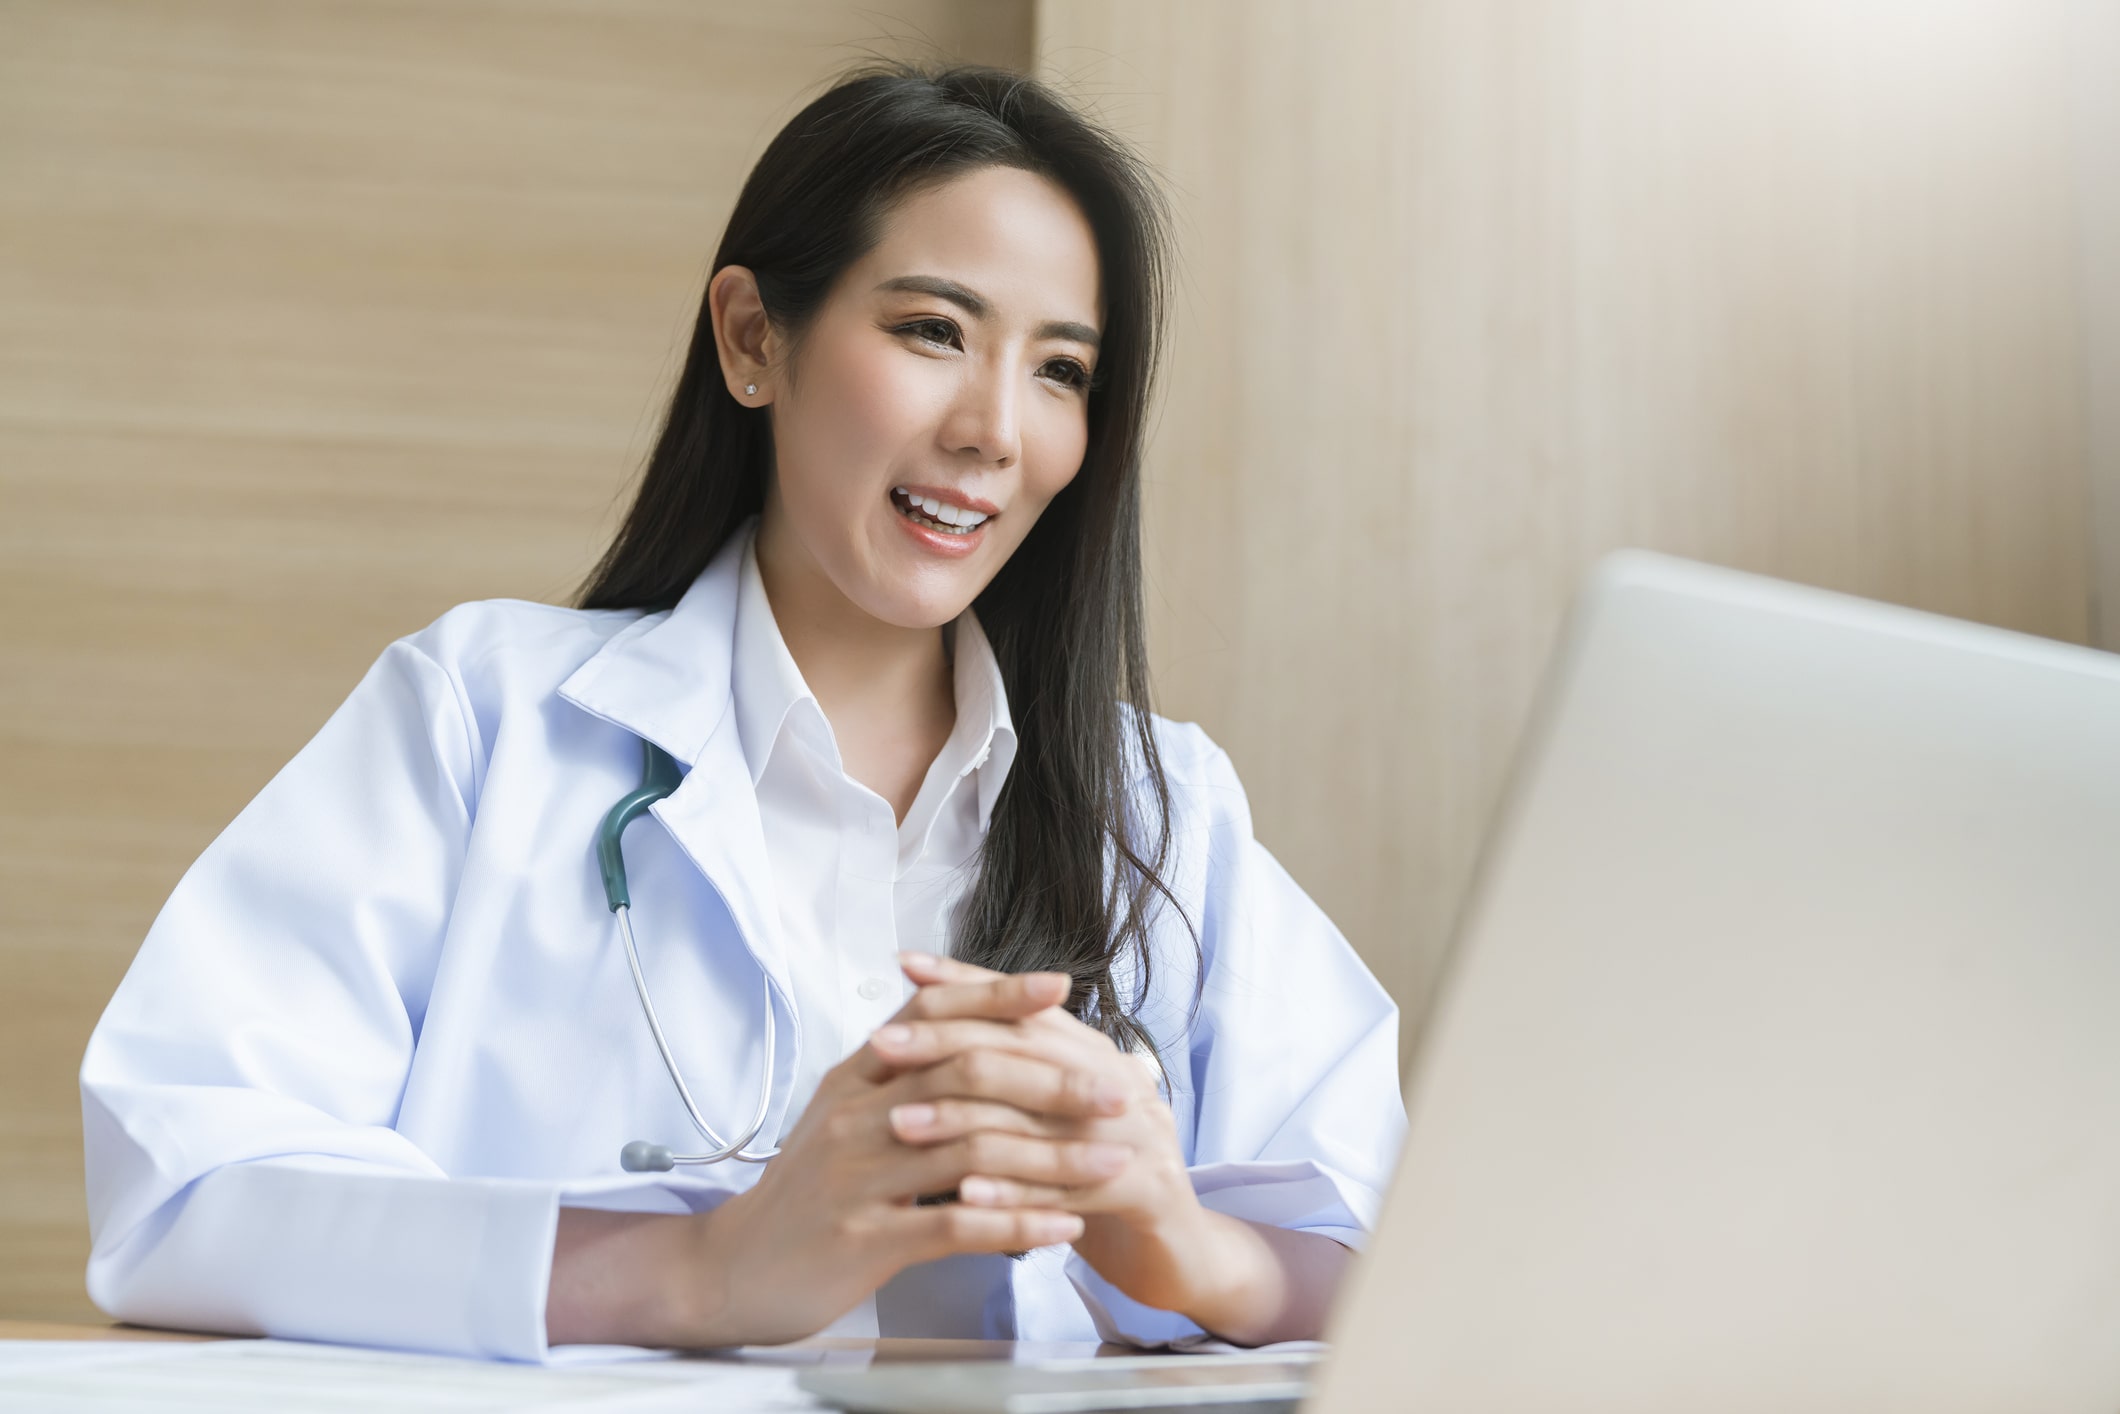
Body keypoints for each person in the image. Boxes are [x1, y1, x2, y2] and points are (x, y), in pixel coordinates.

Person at [78, 61, 1404, 1361]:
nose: (997, 429)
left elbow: (1412, 1246)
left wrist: (1186, 1246)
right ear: (754, 338)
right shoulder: (482, 717)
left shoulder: (1157, 809)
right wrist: (700, 1270)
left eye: (1060, 369)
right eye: (933, 330)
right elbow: (185, 1183)